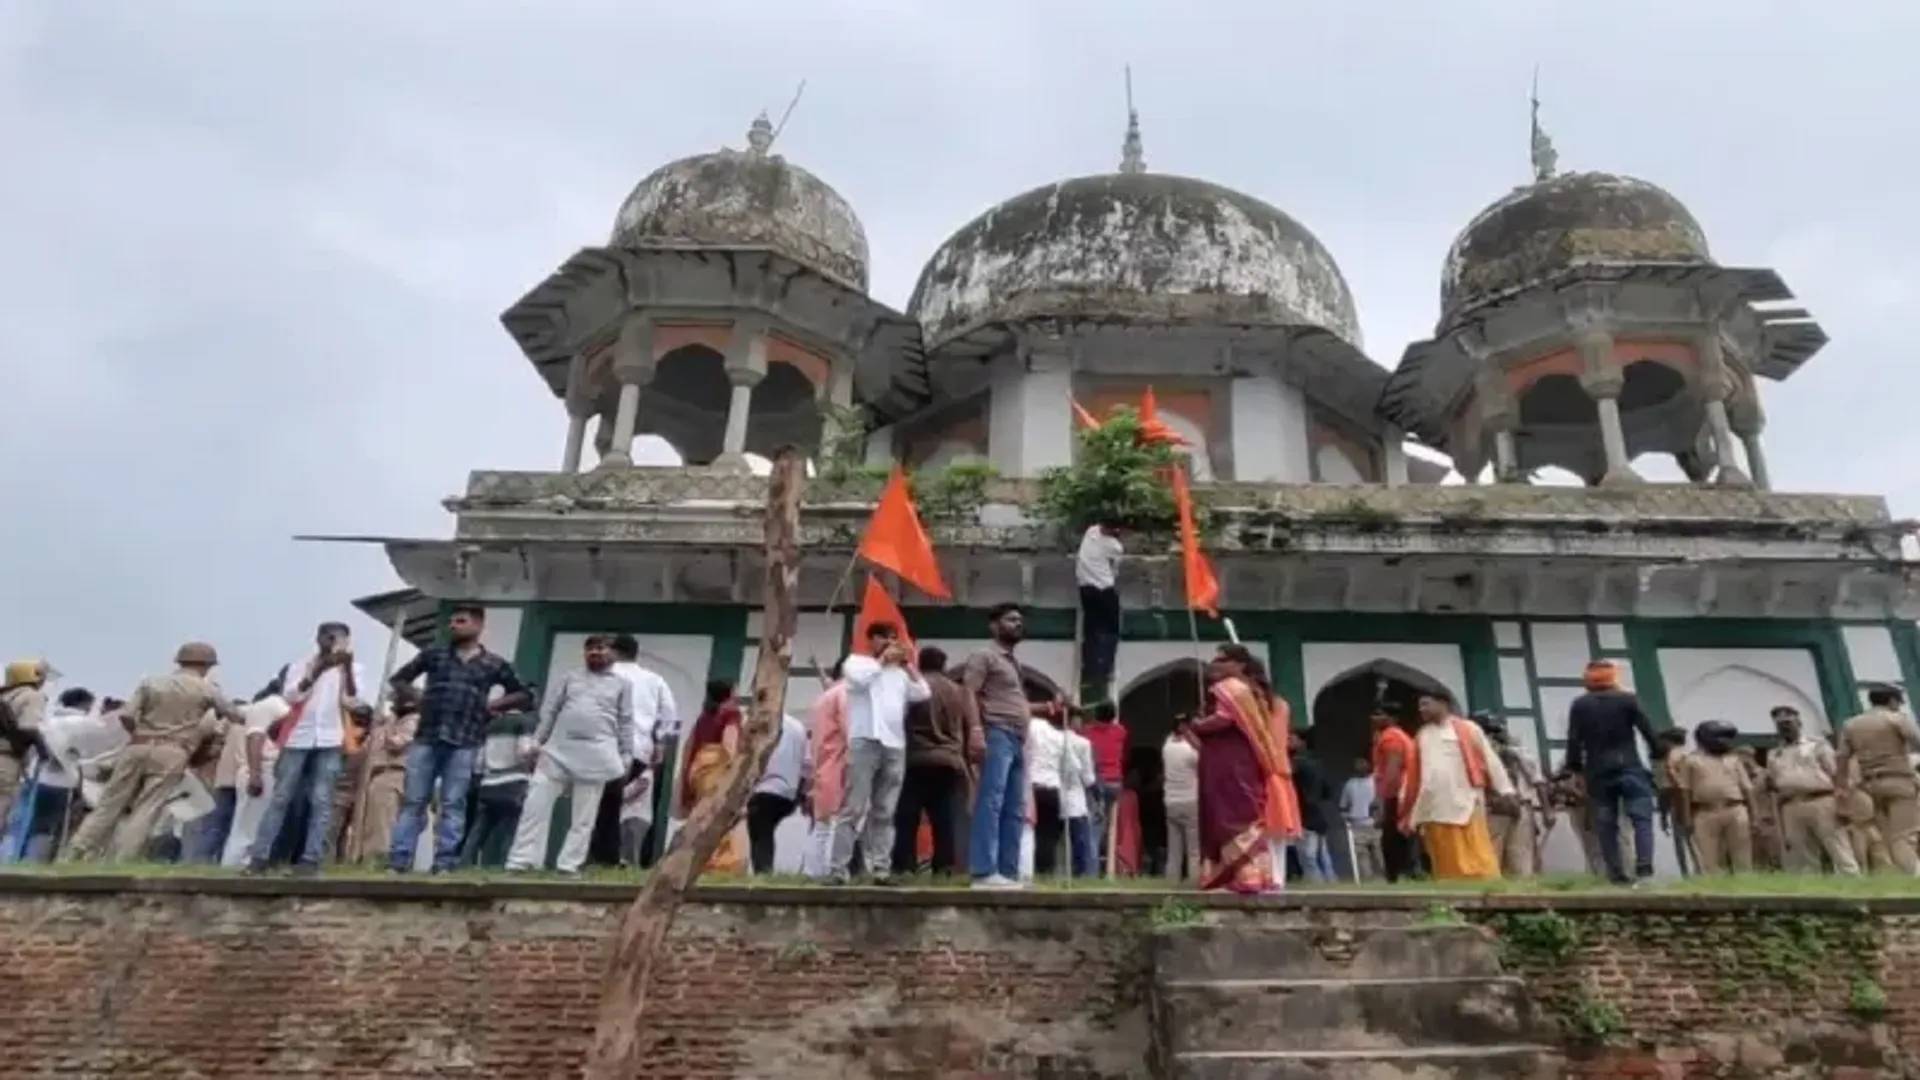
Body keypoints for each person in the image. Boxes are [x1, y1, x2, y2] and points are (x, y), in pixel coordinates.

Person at [386, 606, 530, 873]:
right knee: (414, 801)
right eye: (451, 622)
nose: (453, 626)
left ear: (478, 626)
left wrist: (493, 705)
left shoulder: (493, 664)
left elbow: (523, 693)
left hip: (465, 740)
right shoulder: (434, 655)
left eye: (461, 621)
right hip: (427, 736)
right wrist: (418, 698)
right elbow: (399, 679)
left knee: (453, 803)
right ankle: (399, 860)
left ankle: (445, 863)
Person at [69, 643, 244, 861]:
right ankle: (123, 859)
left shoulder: (150, 683)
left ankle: (76, 850)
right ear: (207, 666)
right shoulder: (207, 689)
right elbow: (236, 715)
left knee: (109, 803)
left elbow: (126, 716)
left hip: (137, 745)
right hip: (173, 751)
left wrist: (139, 733)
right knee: (147, 808)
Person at [244, 622, 365, 874]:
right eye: (330, 637)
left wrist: (346, 669)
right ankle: (260, 857)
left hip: (331, 738)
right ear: (319, 638)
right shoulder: (300, 665)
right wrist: (319, 669)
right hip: (298, 735)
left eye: (341, 638)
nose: (334, 642)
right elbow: (292, 696)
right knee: (281, 797)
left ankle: (311, 860)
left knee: (322, 799)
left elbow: (353, 701)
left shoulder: (352, 668)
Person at [506, 637, 634, 875]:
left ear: (612, 653)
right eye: (590, 649)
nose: (595, 653)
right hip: (558, 751)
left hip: (598, 753)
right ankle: (520, 861)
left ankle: (569, 865)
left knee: (584, 818)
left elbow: (626, 720)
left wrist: (627, 754)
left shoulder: (622, 685)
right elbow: (551, 711)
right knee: (534, 806)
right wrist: (537, 741)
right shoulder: (570, 678)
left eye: (601, 648)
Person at [963, 603, 1060, 889]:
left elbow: (1016, 704)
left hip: (1017, 737)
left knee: (1014, 807)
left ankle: (1007, 872)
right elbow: (969, 691)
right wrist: (976, 729)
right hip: (996, 732)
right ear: (994, 626)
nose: (1018, 624)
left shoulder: (1013, 664)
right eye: (1011, 619)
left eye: (1020, 620)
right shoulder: (984, 656)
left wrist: (1048, 707)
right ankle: (983, 871)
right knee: (991, 802)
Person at [1192, 649, 1300, 893]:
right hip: (1237, 761)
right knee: (1233, 814)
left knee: (1233, 816)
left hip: (1233, 763)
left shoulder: (1233, 689)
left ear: (1239, 665)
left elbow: (1224, 719)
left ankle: (1243, 875)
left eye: (1222, 660)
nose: (1215, 665)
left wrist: (1199, 724)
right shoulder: (1251, 693)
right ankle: (1247, 875)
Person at [831, 621, 930, 884]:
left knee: (885, 810)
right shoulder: (856, 663)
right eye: (884, 637)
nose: (889, 642)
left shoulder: (899, 675)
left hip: (894, 745)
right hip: (865, 742)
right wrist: (883, 659)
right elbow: (861, 681)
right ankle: (838, 870)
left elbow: (923, 693)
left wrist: (908, 663)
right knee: (854, 807)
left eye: (893, 638)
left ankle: (881, 869)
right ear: (871, 640)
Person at [1398, 690, 1514, 882]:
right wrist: (1406, 800)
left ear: (1443, 703)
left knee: (1476, 854)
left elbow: (1489, 758)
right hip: (1433, 805)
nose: (1421, 709)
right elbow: (1413, 771)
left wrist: (1506, 789)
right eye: (1420, 705)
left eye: (1426, 704)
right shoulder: (1422, 735)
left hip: (1466, 799)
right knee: (1443, 856)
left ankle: (1486, 887)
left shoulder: (1468, 729)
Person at [1560, 660, 1658, 885]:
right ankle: (1644, 865)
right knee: (1642, 818)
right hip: (1629, 765)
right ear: (1613, 679)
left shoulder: (1580, 705)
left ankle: (1615, 872)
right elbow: (1648, 731)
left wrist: (1574, 766)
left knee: (1606, 822)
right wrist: (1657, 752)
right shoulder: (1627, 700)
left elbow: (1574, 739)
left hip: (1599, 771)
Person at [891, 646, 977, 877]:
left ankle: (904, 866)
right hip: (949, 760)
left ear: (920, 663)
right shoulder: (958, 692)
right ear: (944, 665)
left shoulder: (914, 688)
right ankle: (945, 866)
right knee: (944, 817)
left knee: (907, 815)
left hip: (915, 758)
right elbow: (966, 728)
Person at [600, 635, 679, 867]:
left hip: (604, 746)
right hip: (638, 750)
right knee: (627, 805)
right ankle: (622, 858)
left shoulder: (604, 675)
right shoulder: (654, 680)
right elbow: (670, 715)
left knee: (599, 804)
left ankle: (603, 858)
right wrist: (660, 743)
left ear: (614, 651)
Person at [1834, 684, 1920, 874]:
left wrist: (1841, 787)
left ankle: (1905, 875)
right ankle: (1916, 876)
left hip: (1871, 785)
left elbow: (1841, 757)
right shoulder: (1897, 719)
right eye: (1898, 702)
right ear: (1892, 701)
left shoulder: (1852, 724)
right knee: (1905, 836)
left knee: (1889, 836)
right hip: (1899, 780)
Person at [1766, 705, 1858, 874]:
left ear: (1798, 722)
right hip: (1791, 804)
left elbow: (1837, 775)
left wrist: (1843, 803)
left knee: (1838, 847)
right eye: (1780, 723)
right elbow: (1774, 783)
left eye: (1788, 721)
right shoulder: (1774, 753)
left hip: (1821, 800)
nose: (1784, 726)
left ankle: (1853, 883)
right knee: (1801, 853)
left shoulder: (1817, 745)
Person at [10, 687, 96, 862]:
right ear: (84, 704)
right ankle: (33, 865)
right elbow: (85, 757)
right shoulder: (86, 724)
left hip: (35, 778)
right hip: (63, 784)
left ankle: (11, 860)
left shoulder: (48, 721)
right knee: (48, 828)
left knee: (22, 825)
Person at [679, 679, 747, 873]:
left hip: (699, 769)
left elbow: (690, 746)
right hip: (716, 767)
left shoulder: (704, 717)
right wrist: (735, 769)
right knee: (718, 814)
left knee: (704, 813)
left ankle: (700, 858)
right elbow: (729, 743)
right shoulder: (731, 714)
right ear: (732, 691)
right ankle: (720, 862)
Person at [221, 692, 294, 868]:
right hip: (261, 769)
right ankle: (235, 865)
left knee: (251, 825)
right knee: (249, 827)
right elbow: (255, 738)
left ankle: (240, 864)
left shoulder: (277, 707)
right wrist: (256, 774)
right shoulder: (272, 705)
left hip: (265, 770)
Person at [1671, 720, 1753, 873]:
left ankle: (1745, 887)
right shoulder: (1691, 760)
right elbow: (1685, 791)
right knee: (1708, 859)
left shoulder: (1734, 759)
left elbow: (1747, 789)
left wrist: (1754, 816)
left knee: (1742, 855)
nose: (1727, 742)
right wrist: (1687, 819)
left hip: (1735, 809)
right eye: (1722, 737)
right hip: (1705, 812)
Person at [1476, 713, 1550, 878]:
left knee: (1519, 858)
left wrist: (1546, 811)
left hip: (1518, 808)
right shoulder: (1478, 752)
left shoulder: (1519, 753)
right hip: (1494, 809)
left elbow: (1538, 781)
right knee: (1493, 858)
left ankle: (1522, 896)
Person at [463, 698, 533, 868]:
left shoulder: (491, 726)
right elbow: (523, 751)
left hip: (489, 783)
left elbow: (479, 760)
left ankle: (464, 863)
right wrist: (535, 756)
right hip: (514, 782)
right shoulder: (524, 722)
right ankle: (506, 865)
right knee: (512, 830)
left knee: (480, 828)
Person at [359, 697, 418, 866]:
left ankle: (380, 860)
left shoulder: (412, 721)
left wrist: (389, 722)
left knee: (383, 824)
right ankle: (370, 859)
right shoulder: (387, 724)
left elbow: (395, 743)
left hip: (394, 773)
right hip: (378, 774)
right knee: (375, 822)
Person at [748, 712, 809, 874]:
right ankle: (764, 871)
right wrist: (802, 793)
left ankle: (763, 873)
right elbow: (806, 763)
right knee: (765, 828)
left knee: (760, 832)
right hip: (789, 792)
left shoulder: (759, 724)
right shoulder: (798, 727)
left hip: (764, 789)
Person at [805, 665, 849, 879]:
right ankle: (832, 871)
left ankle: (814, 872)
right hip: (839, 765)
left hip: (822, 766)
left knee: (822, 825)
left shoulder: (823, 699)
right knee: (836, 824)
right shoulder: (844, 695)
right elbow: (851, 733)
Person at [0, 659, 52, 836]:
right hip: (6, 760)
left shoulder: (4, 695)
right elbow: (29, 727)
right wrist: (44, 751)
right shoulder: (32, 696)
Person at [1369, 708, 1420, 882]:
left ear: (1392, 718)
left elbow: (1393, 766)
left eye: (1379, 714)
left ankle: (1396, 875)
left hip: (1396, 792)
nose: (1374, 718)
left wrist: (1381, 796)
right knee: (1403, 834)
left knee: (1391, 836)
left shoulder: (1391, 737)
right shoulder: (1403, 736)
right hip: (1403, 789)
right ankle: (1407, 872)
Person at [1075, 523, 1124, 697]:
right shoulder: (1115, 547)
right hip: (1104, 589)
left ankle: (1089, 661)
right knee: (1111, 630)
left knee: (1091, 628)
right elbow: (1114, 571)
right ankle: (1106, 666)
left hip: (1086, 589)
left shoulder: (1091, 531)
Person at [1080, 701, 1128, 872]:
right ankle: (1108, 867)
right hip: (1115, 783)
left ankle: (1091, 870)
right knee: (1106, 827)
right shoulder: (1120, 731)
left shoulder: (1087, 732)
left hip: (1097, 783)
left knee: (1093, 827)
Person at [1287, 732, 1337, 883]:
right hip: (1319, 815)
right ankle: (1331, 884)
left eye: (1291, 738)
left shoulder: (1296, 763)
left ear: (1302, 742)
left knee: (1307, 856)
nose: (1287, 741)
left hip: (1304, 815)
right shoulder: (1318, 763)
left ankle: (1316, 884)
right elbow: (1328, 792)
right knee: (1323, 855)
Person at [1025, 704, 1066, 876]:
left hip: (1032, 785)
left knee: (1028, 832)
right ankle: (1045, 871)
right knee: (1049, 835)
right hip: (1053, 787)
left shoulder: (1031, 726)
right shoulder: (1061, 737)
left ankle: (1027, 868)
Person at [1651, 727, 1696, 876]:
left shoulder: (1671, 758)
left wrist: (1663, 816)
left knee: (1683, 846)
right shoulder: (1692, 755)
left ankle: (1688, 877)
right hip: (1697, 804)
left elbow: (1666, 789)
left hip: (1679, 805)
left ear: (1667, 742)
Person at [1162, 722, 1200, 881]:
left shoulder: (1167, 747)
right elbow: (1201, 756)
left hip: (1170, 800)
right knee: (1193, 849)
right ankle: (1194, 878)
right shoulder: (1189, 751)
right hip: (1190, 800)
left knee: (1174, 848)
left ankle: (1172, 879)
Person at [1062, 712, 1098, 878]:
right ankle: (1081, 872)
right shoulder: (1083, 743)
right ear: (1074, 721)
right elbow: (1088, 777)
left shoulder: (1053, 739)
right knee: (1081, 839)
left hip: (1051, 794)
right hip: (1075, 796)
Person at [1338, 757, 1382, 881]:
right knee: (1362, 859)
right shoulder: (1350, 784)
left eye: (1363, 763)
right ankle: (1369, 884)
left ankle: (1384, 881)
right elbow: (1343, 807)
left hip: (1375, 825)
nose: (1360, 766)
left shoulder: (1376, 781)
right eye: (1358, 764)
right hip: (1357, 825)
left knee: (1380, 857)